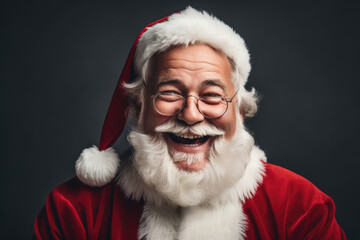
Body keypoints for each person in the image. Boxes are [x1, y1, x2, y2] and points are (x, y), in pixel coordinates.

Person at [33, 7, 346, 240]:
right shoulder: (73, 210)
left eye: (211, 96)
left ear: (238, 108)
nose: (191, 115)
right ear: (139, 105)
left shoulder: (301, 208)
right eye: (169, 93)